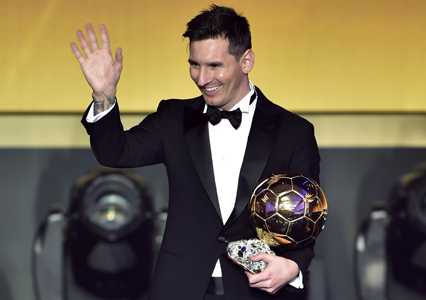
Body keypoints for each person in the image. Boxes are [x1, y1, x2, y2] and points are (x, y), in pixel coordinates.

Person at [71, 5, 320, 300]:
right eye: (194, 65)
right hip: (179, 288)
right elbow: (116, 153)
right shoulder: (173, 118)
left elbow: (307, 216)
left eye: (215, 66)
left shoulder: (293, 132)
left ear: (246, 60)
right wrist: (103, 96)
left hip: (258, 291)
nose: (202, 79)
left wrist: (292, 266)